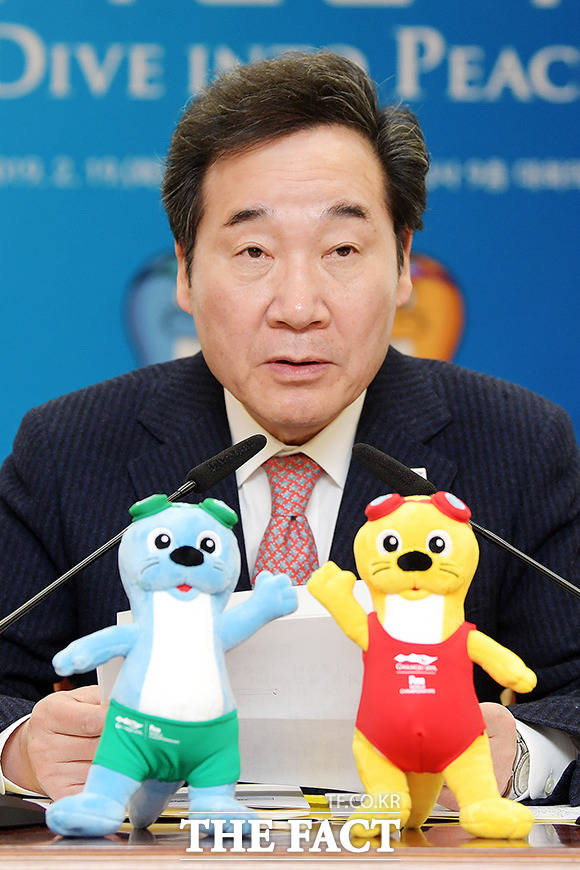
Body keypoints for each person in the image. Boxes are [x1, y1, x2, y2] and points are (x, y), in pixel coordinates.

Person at [0, 52, 578, 810]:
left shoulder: (519, 445)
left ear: (404, 263)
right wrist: (21, 751)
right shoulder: (68, 447)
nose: (299, 307)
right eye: (253, 252)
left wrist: (524, 756)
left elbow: (572, 692)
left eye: (342, 250)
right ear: (185, 272)